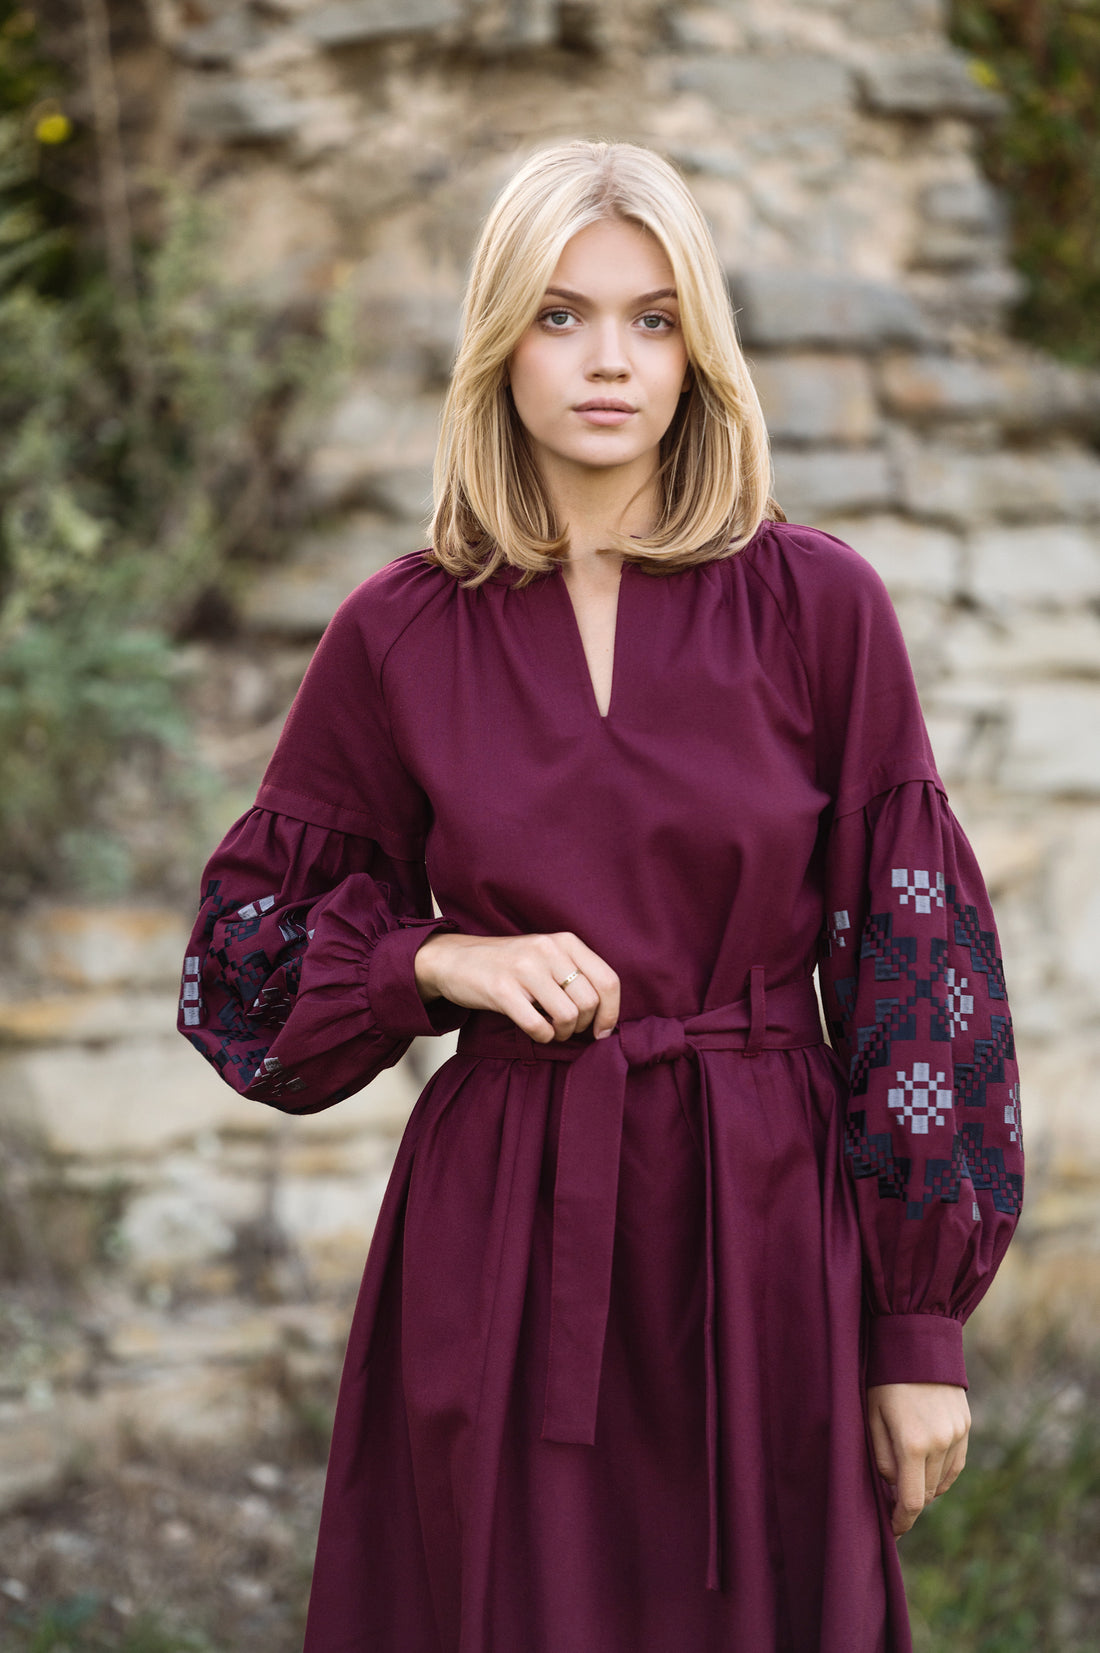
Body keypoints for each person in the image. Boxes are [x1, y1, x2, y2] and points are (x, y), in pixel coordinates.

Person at [178, 140, 1023, 1653]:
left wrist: (918, 1326)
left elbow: (914, 969)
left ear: (700, 345)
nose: (608, 362)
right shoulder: (397, 633)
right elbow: (239, 965)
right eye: (560, 318)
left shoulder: (822, 606)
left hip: (763, 1228)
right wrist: (439, 962)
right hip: (498, 1232)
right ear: (498, 344)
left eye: (650, 317)